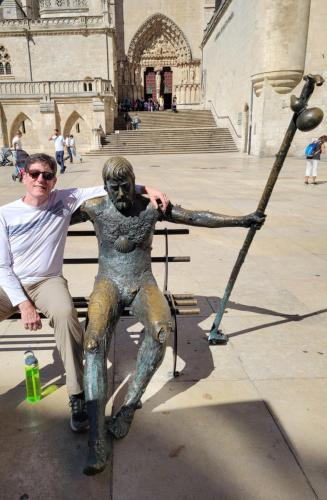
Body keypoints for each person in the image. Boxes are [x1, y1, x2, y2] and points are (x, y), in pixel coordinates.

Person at [69, 156, 265, 475]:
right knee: (92, 343)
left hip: (142, 282)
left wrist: (242, 220)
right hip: (108, 282)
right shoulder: (94, 208)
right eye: (113, 188)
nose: (120, 195)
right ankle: (96, 438)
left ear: (135, 182)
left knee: (161, 330)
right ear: (104, 187)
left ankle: (129, 406)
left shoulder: (150, 208)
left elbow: (196, 216)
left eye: (126, 187)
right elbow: (52, 212)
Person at [0, 152, 167, 441]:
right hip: (10, 283)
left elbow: (112, 185)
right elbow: (0, 266)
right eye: (34, 173)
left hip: (48, 281)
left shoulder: (63, 200)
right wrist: (23, 303)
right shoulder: (4, 214)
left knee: (66, 315)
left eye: (47, 175)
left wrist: (148, 189)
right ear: (23, 175)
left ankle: (78, 394)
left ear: (54, 180)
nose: (40, 180)